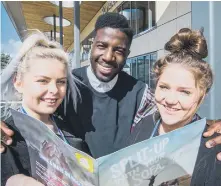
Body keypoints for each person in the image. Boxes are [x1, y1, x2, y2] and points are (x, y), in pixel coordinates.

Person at [1, 13, 221, 159]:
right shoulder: (67, 85)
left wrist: (211, 127)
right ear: (91, 47)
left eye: (119, 50)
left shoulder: (140, 91)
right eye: (101, 46)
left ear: (127, 54)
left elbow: (175, 111)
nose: (108, 56)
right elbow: (34, 112)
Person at [128, 28, 221, 185]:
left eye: (184, 92)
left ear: (202, 96)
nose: (170, 100)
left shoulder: (213, 147)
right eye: (164, 87)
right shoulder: (143, 125)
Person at [1, 32, 89, 186]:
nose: (54, 90)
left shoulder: (68, 129)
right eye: (43, 81)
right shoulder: (6, 136)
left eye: (61, 82)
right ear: (18, 82)